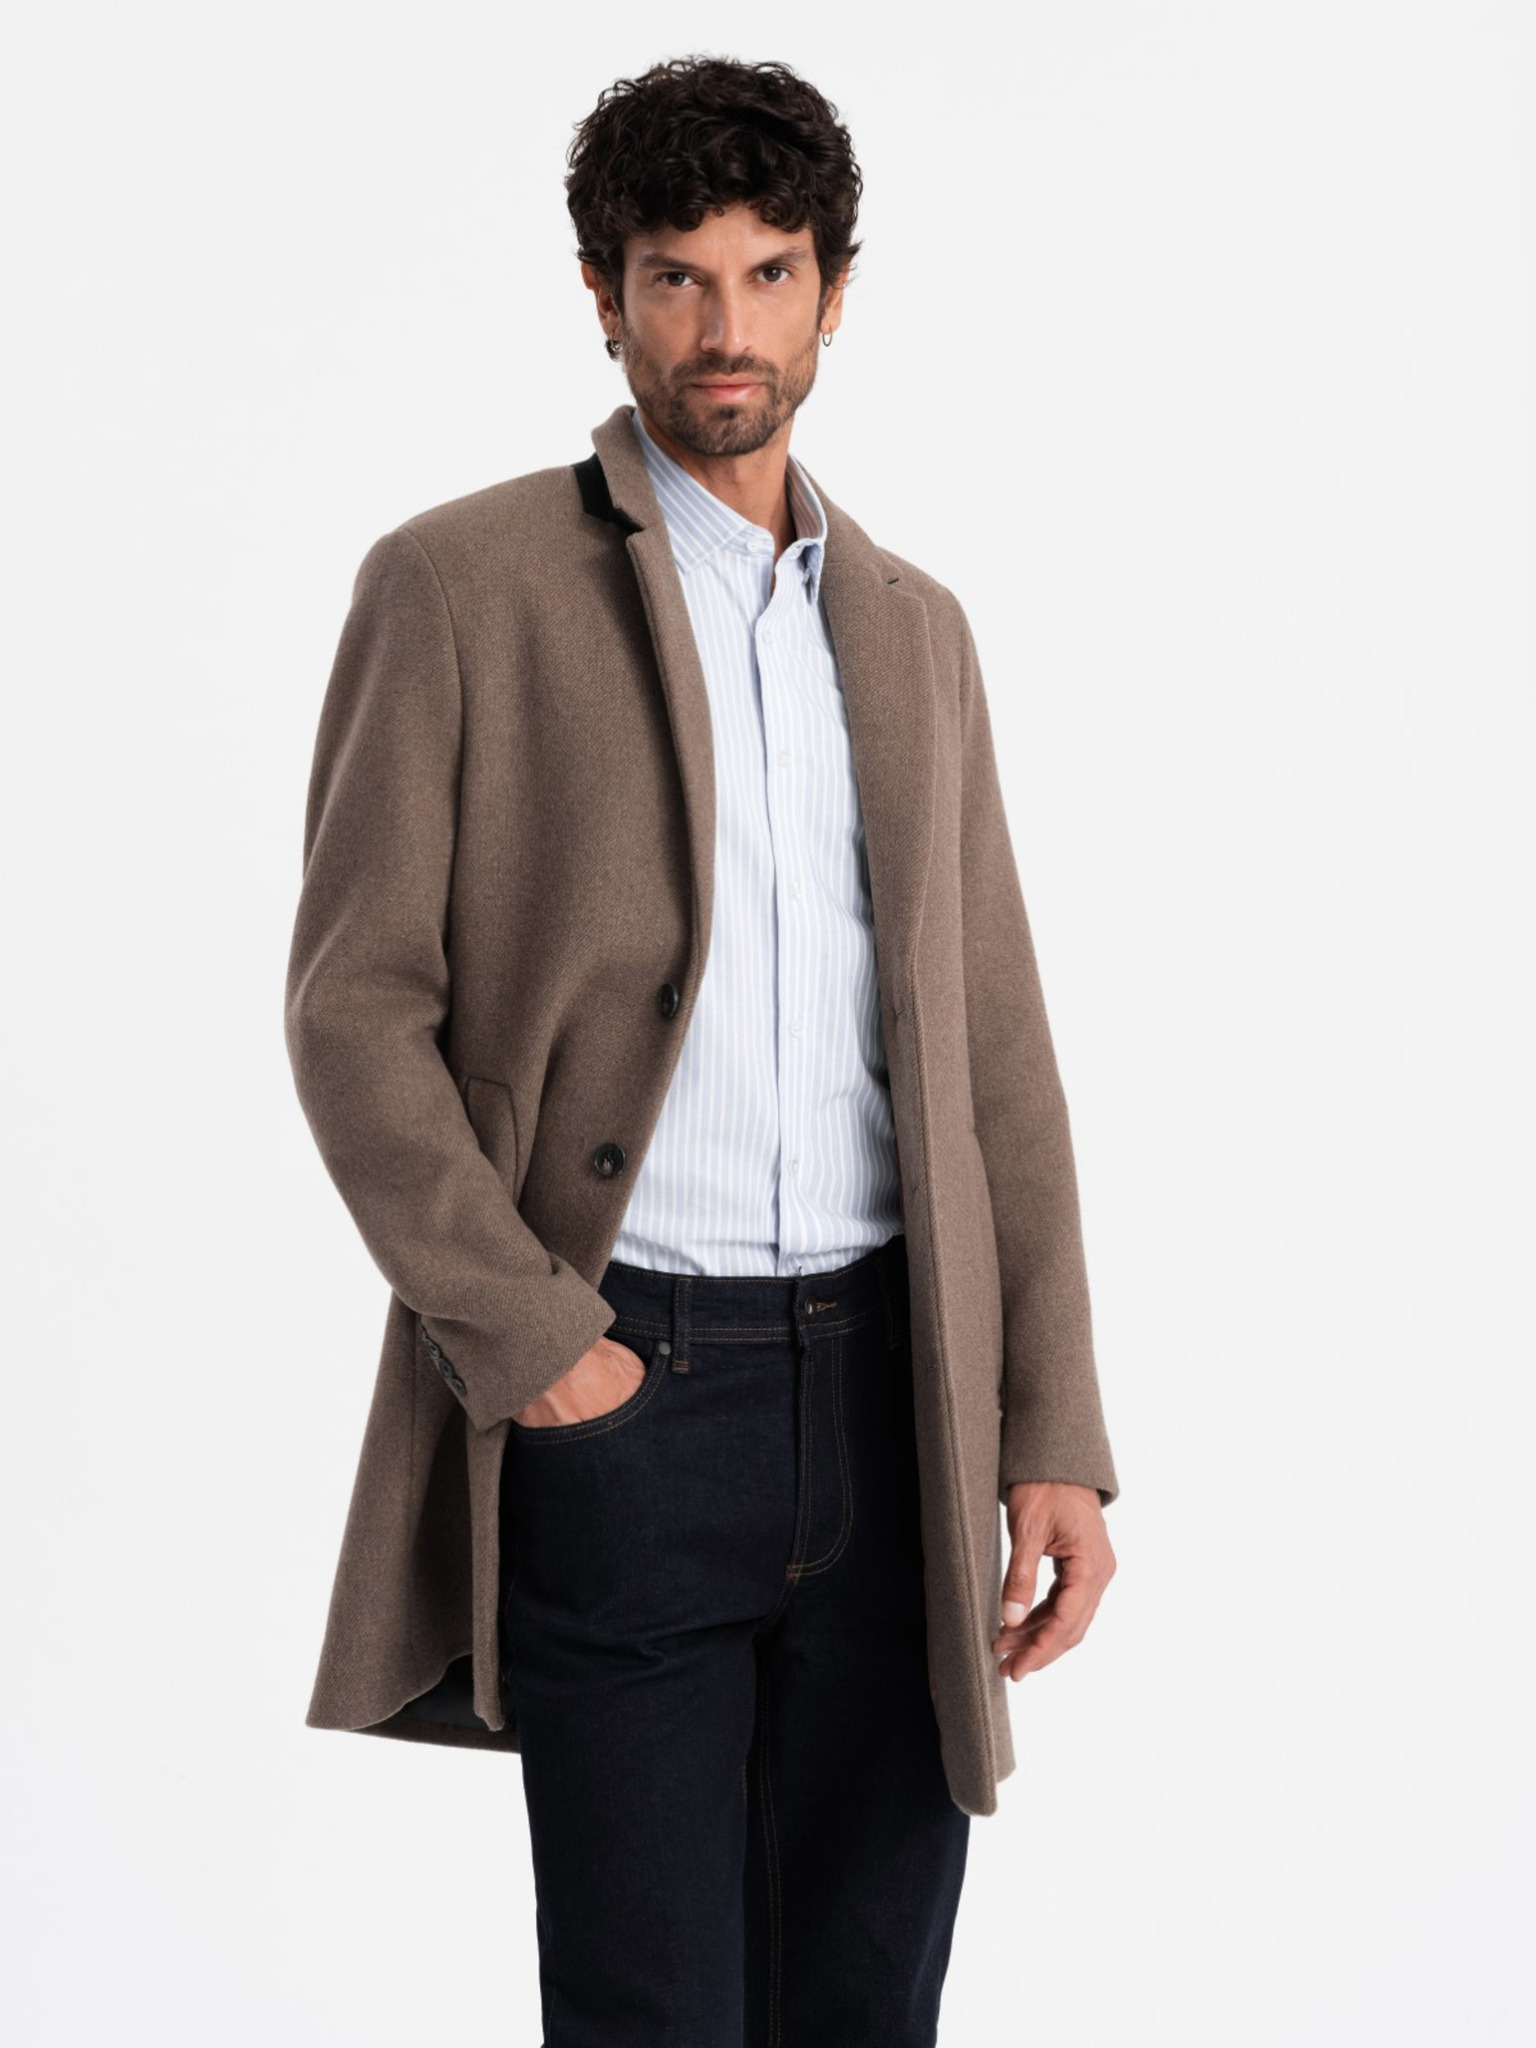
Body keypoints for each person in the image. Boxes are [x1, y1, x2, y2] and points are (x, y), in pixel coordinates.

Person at [284, 52, 1120, 2048]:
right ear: (605, 296)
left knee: (864, 2003)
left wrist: (1050, 1427)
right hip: (630, 1396)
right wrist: (539, 1347)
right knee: (652, 2010)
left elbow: (996, 1052)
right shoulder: (459, 587)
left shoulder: (913, 628)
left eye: (766, 274)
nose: (723, 327)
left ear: (834, 292)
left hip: (899, 1395)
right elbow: (353, 1008)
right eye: (675, 277)